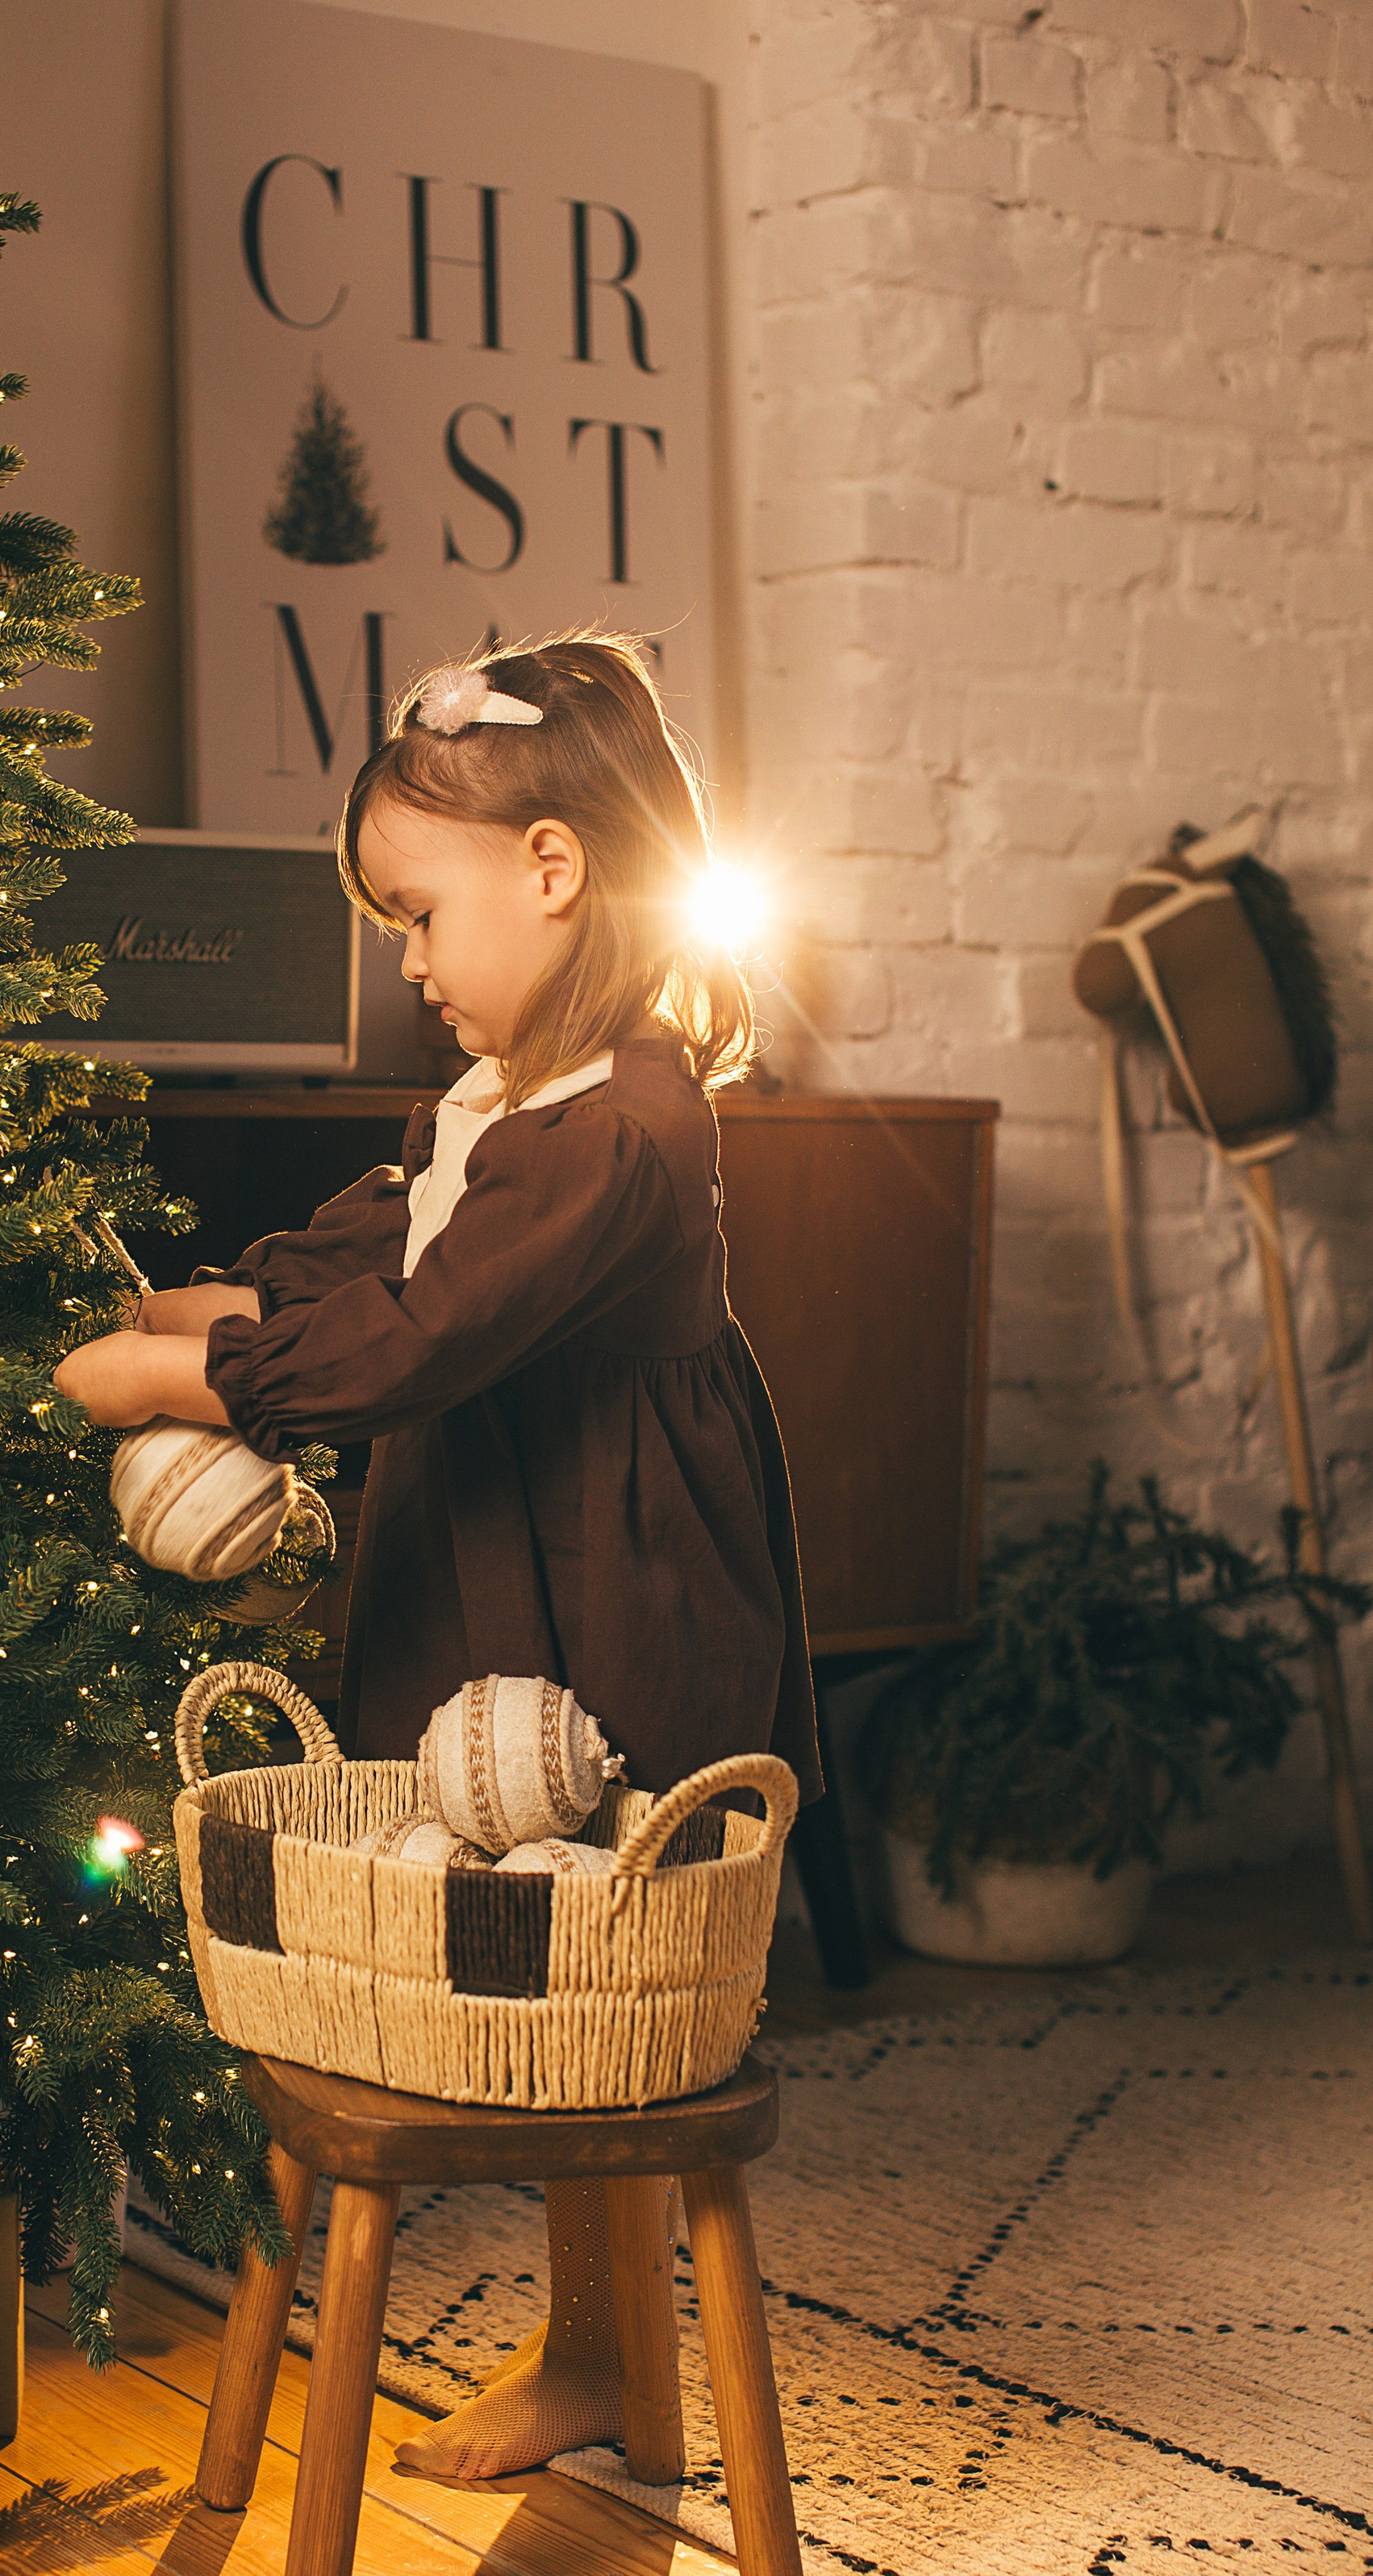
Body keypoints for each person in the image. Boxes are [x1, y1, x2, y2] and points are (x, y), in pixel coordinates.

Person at [56, 630, 820, 2482]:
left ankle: (604, 2356)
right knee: (537, 1957)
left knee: (591, 1942)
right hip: (500, 1548)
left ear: (551, 871)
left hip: (609, 1574)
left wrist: (184, 1370)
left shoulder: (625, 1127)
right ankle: (597, 2358)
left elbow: (412, 1344)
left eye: (415, 914)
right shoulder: (498, 1112)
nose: (403, 961)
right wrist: (211, 1296)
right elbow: (374, 1260)